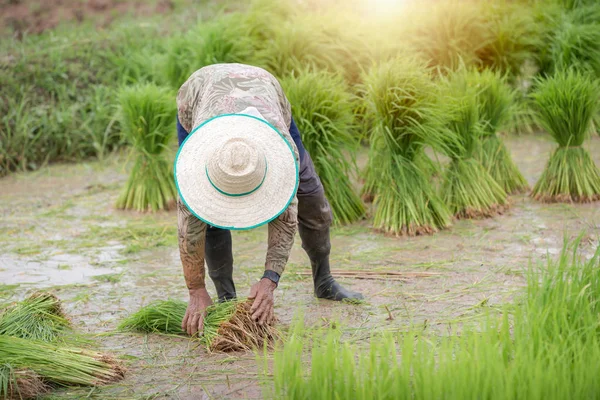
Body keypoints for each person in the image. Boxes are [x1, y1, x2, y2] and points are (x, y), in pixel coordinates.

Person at [175, 63, 363, 336]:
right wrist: (196, 289)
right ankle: (227, 300)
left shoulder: (283, 152)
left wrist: (269, 280)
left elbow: (286, 221)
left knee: (311, 198)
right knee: (209, 216)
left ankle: (324, 281)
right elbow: (188, 230)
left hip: (266, 101)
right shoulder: (195, 164)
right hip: (198, 100)